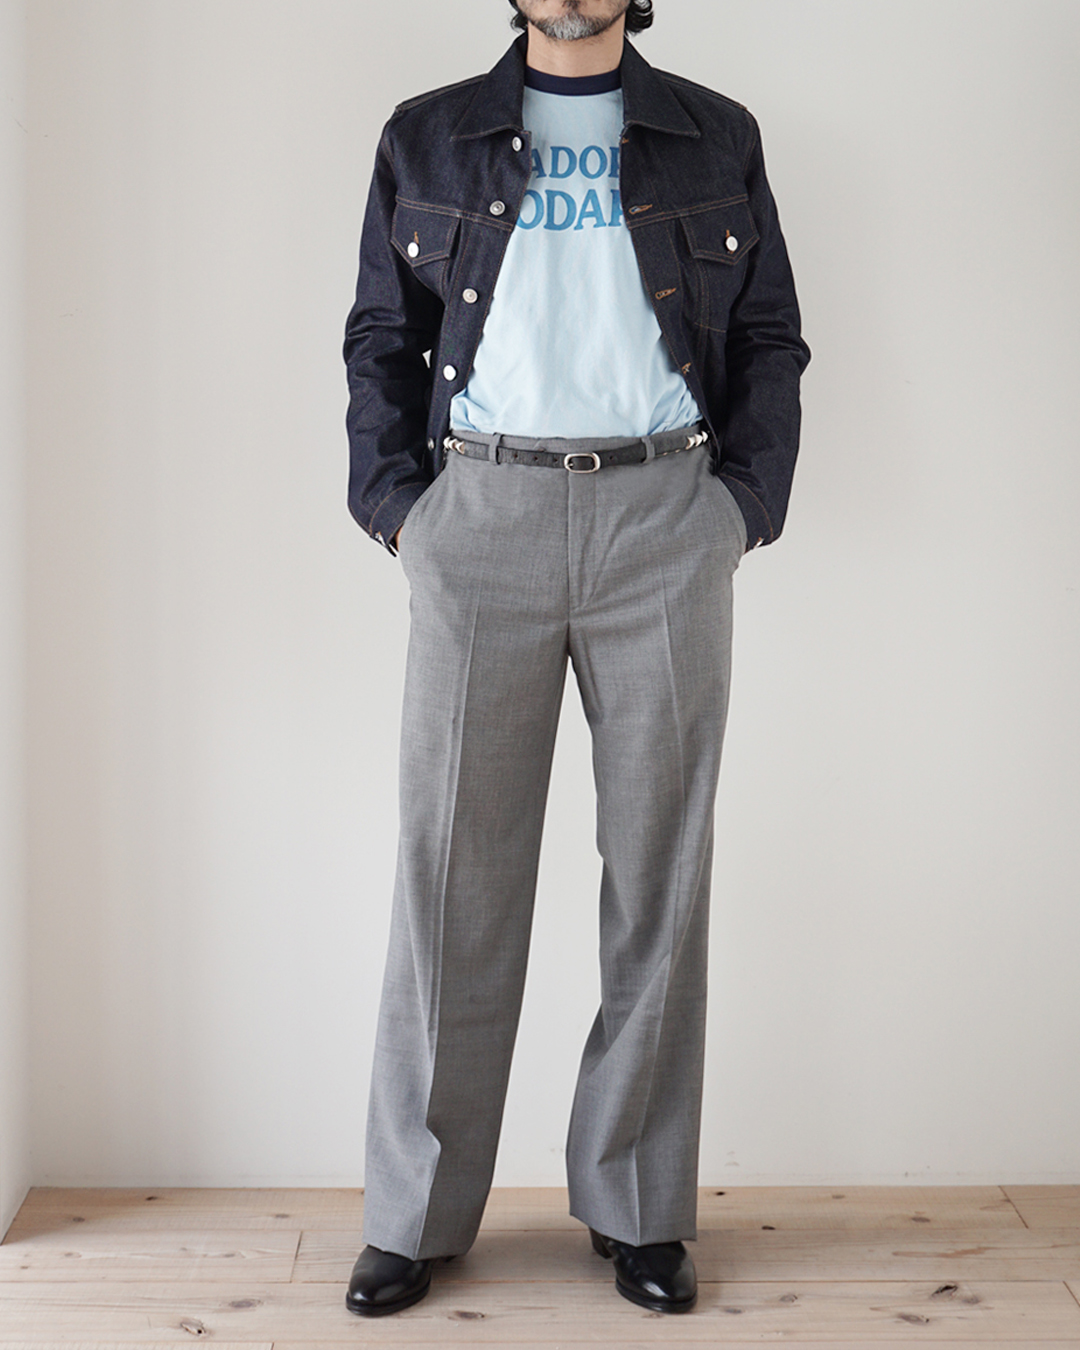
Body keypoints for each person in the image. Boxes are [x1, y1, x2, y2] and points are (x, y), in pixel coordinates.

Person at [342, 0, 809, 1318]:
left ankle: (639, 1207)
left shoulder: (716, 136)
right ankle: (416, 1212)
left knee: (659, 873)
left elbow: (768, 338)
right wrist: (402, 512)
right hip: (478, 517)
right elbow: (381, 338)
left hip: (664, 521)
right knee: (450, 872)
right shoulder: (427, 137)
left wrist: (737, 510)